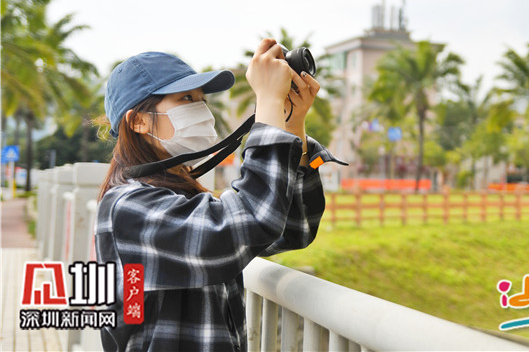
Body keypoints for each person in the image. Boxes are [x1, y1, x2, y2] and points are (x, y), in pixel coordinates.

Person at [95, 38, 344, 352]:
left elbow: (292, 229)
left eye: (202, 99)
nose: (201, 109)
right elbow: (251, 221)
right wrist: (267, 102)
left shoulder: (183, 200)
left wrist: (292, 124)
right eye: (187, 98)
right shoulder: (127, 207)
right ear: (138, 121)